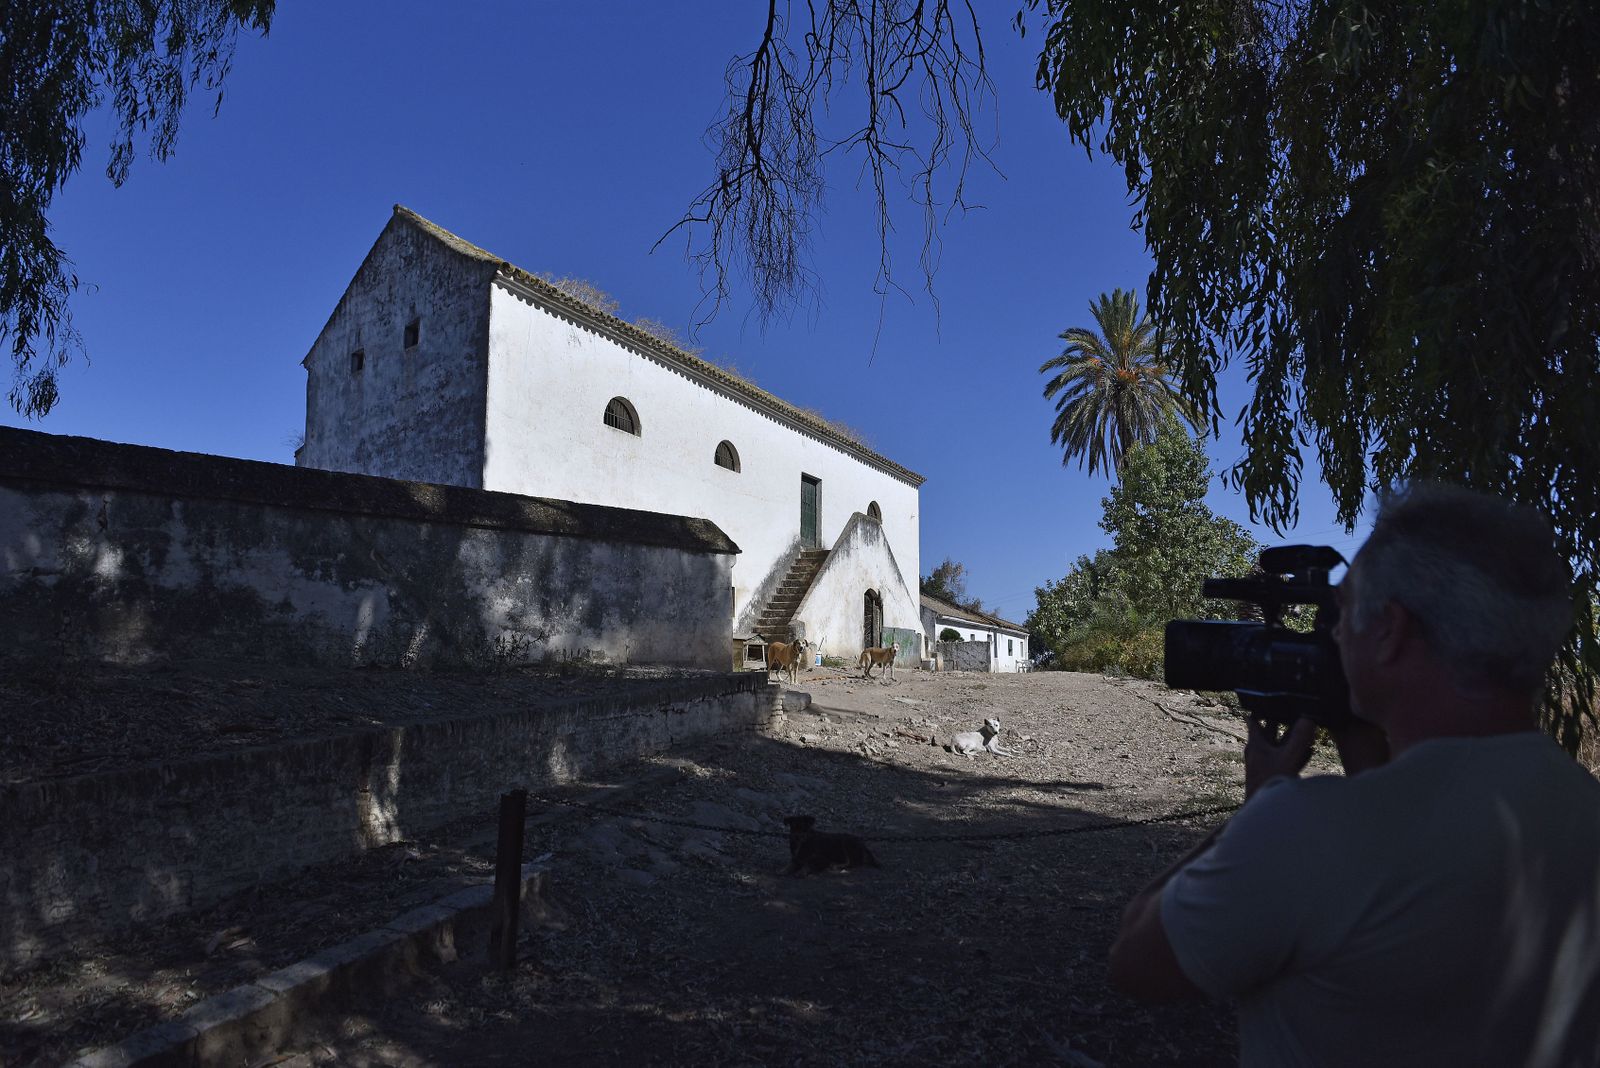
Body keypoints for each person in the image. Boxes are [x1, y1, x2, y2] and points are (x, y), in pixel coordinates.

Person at [1108, 482, 1600, 1066]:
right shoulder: (1582, 805)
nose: (1334, 635)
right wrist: (1360, 733)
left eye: (1342, 614)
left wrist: (1256, 809)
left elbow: (1136, 961)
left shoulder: (1304, 829)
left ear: (1390, 631)